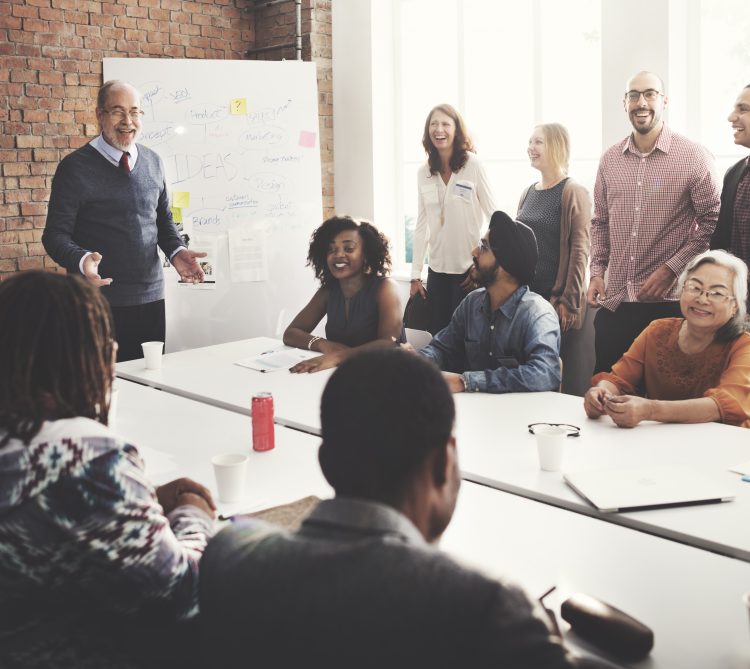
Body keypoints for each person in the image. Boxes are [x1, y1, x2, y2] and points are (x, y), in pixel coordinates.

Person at [200, 349, 591, 669]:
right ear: (444, 463)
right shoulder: (487, 611)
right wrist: (545, 640)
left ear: (325, 463)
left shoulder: (229, 556)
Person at [0, 271, 216, 667]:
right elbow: (182, 595)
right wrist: (192, 513)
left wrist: (142, 498)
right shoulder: (84, 458)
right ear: (85, 355)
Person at [42, 80, 207, 363]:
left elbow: (163, 221)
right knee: (103, 387)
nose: (127, 121)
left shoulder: (154, 161)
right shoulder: (74, 168)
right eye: (118, 112)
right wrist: (82, 261)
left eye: (135, 112)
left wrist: (177, 252)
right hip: (98, 300)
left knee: (150, 380)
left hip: (151, 297)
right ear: (100, 115)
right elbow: (55, 236)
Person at [587, 71, 721, 375]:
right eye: (633, 95)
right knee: (604, 395)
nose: (641, 102)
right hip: (616, 303)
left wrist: (671, 269)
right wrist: (596, 273)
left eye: (649, 94)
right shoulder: (609, 159)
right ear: (624, 103)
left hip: (669, 306)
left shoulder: (694, 157)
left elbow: (711, 224)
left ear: (664, 101)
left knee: (663, 404)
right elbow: (600, 222)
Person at [584, 250, 750, 429]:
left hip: (725, 447)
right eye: (695, 287)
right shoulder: (658, 330)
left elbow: (719, 407)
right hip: (661, 443)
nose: (702, 299)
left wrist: (649, 410)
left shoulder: (743, 346)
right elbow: (619, 379)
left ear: (735, 306)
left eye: (717, 293)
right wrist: (601, 393)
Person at [418, 211, 561, 394]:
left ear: (505, 264)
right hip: (476, 416)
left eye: (484, 248)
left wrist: (466, 382)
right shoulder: (471, 303)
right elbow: (441, 349)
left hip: (520, 418)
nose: (474, 252)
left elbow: (545, 374)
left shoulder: (538, 314)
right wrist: (414, 363)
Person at [411, 103, 495, 335]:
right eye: (434, 124)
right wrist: (415, 275)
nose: (439, 129)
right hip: (436, 272)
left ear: (457, 130)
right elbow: (421, 225)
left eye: (446, 124)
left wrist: (482, 266)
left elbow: (494, 218)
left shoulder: (474, 165)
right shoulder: (423, 172)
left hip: (468, 273)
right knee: (438, 337)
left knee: (468, 339)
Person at [283, 215, 403, 373]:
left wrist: (339, 356)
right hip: (345, 374)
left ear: (366, 255)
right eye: (331, 250)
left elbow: (389, 343)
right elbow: (291, 333)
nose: (338, 255)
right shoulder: (328, 291)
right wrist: (323, 344)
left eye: (349, 249)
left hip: (386, 374)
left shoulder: (386, 288)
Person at [711, 83, 750, 302]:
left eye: (742, 109)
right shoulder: (735, 173)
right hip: (738, 307)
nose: (731, 117)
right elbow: (720, 243)